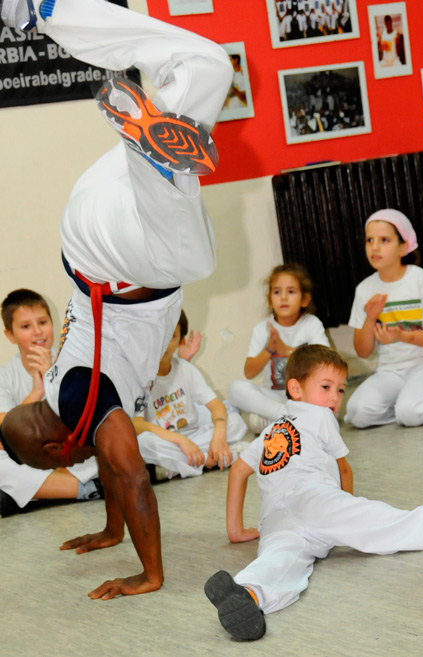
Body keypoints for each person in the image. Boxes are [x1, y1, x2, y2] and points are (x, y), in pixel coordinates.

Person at [0, 0, 232, 599]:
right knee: (207, 66)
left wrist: (148, 573)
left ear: (56, 446)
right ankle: (41, 11)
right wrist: (108, 529)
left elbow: (127, 471)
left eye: (59, 460)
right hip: (97, 219)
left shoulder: (78, 394)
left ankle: (146, 153)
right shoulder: (70, 396)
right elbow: (110, 463)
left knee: (195, 261)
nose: (72, 460)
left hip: (116, 257)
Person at [203, 344, 423, 642]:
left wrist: (236, 531)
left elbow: (239, 471)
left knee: (283, 561)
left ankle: (249, 593)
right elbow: (344, 469)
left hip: (274, 519)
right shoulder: (319, 417)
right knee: (404, 525)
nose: (334, 398)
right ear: (296, 389)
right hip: (314, 501)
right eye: (325, 387)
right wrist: (345, 512)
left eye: (341, 390)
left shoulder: (271, 429)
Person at [345, 210, 423, 428]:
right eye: (370, 240)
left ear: (404, 247)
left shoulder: (421, 279)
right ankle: (406, 405)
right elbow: (362, 351)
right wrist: (370, 318)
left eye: (384, 240)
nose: (374, 247)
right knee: (357, 413)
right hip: (390, 370)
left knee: (410, 413)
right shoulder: (364, 289)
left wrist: (403, 336)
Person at [0, 289, 100, 517]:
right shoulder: (4, 376)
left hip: (73, 450)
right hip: (31, 456)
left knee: (124, 442)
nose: (37, 332)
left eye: (42, 322)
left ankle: (39, 494)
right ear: (10, 335)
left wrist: (54, 381)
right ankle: (86, 490)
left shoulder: (74, 361)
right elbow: (3, 436)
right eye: (25, 327)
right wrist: (38, 391)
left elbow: (88, 417)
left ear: (53, 324)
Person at [134, 310, 248, 478]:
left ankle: (175, 467)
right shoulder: (140, 375)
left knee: (236, 422)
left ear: (181, 341)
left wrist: (219, 435)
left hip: (194, 434)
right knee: (142, 443)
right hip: (166, 440)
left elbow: (216, 405)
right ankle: (210, 459)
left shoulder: (185, 369)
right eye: (157, 335)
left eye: (170, 336)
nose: (162, 343)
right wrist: (181, 441)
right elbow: (137, 424)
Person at [228, 263, 329, 434]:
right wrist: (268, 350)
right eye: (277, 292)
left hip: (304, 396)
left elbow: (326, 364)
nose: (283, 298)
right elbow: (249, 372)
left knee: (328, 396)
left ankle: (279, 421)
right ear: (270, 299)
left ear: (304, 299)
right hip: (274, 398)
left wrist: (286, 350)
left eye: (291, 292)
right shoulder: (262, 329)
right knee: (235, 388)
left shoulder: (311, 324)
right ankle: (287, 416)